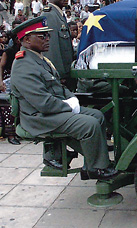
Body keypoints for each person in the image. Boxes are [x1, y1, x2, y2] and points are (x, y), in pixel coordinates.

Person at [10, 16, 117, 180]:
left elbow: (58, 87)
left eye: (47, 35)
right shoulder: (24, 65)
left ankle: (92, 162)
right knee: (89, 124)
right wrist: (70, 106)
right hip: (39, 118)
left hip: (51, 111)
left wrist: (72, 99)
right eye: (42, 36)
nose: (47, 39)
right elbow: (43, 103)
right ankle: (98, 168)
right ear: (26, 39)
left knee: (98, 115)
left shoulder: (38, 59)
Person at [41, 0, 75, 89]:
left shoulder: (59, 15)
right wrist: (58, 75)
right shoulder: (49, 15)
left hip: (67, 72)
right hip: (60, 77)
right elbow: (52, 49)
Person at [0, 30, 20, 145]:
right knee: (9, 106)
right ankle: (10, 134)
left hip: (20, 82)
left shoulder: (26, 51)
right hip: (8, 81)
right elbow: (1, 67)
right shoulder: (8, 52)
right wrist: (1, 82)